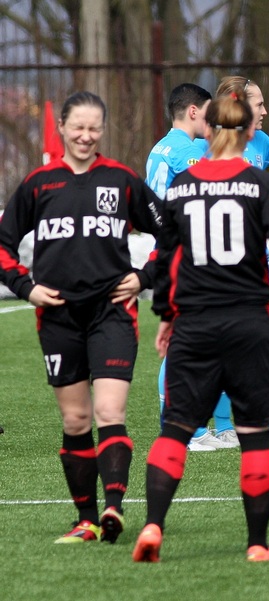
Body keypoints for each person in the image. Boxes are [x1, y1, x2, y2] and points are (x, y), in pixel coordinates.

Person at [132, 90, 269, 563]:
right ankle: (257, 544)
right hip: (248, 324)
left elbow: (165, 256)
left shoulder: (182, 186)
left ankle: (153, 526)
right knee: (254, 433)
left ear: (209, 129)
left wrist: (166, 315)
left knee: (175, 429)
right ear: (250, 133)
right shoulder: (259, 184)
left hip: (194, 323)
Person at [0, 91, 161, 543]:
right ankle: (86, 519)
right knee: (75, 422)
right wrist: (26, 287)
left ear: (102, 131)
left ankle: (113, 508)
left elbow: (171, 233)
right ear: (62, 129)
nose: (86, 136)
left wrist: (144, 277)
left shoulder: (121, 179)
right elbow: (2, 245)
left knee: (110, 410)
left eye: (94, 128)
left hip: (112, 314)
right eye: (78, 128)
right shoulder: (38, 183)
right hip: (58, 319)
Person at [194, 75, 269, 446]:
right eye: (258, 103)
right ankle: (216, 425)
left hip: (258, 265)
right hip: (216, 268)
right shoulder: (205, 146)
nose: (265, 110)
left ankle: (261, 418)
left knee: (265, 340)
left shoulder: (262, 143)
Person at [145, 83, 234, 452]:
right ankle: (182, 428)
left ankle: (215, 426)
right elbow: (161, 211)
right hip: (184, 260)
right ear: (194, 111)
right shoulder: (181, 153)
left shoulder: (171, 148)